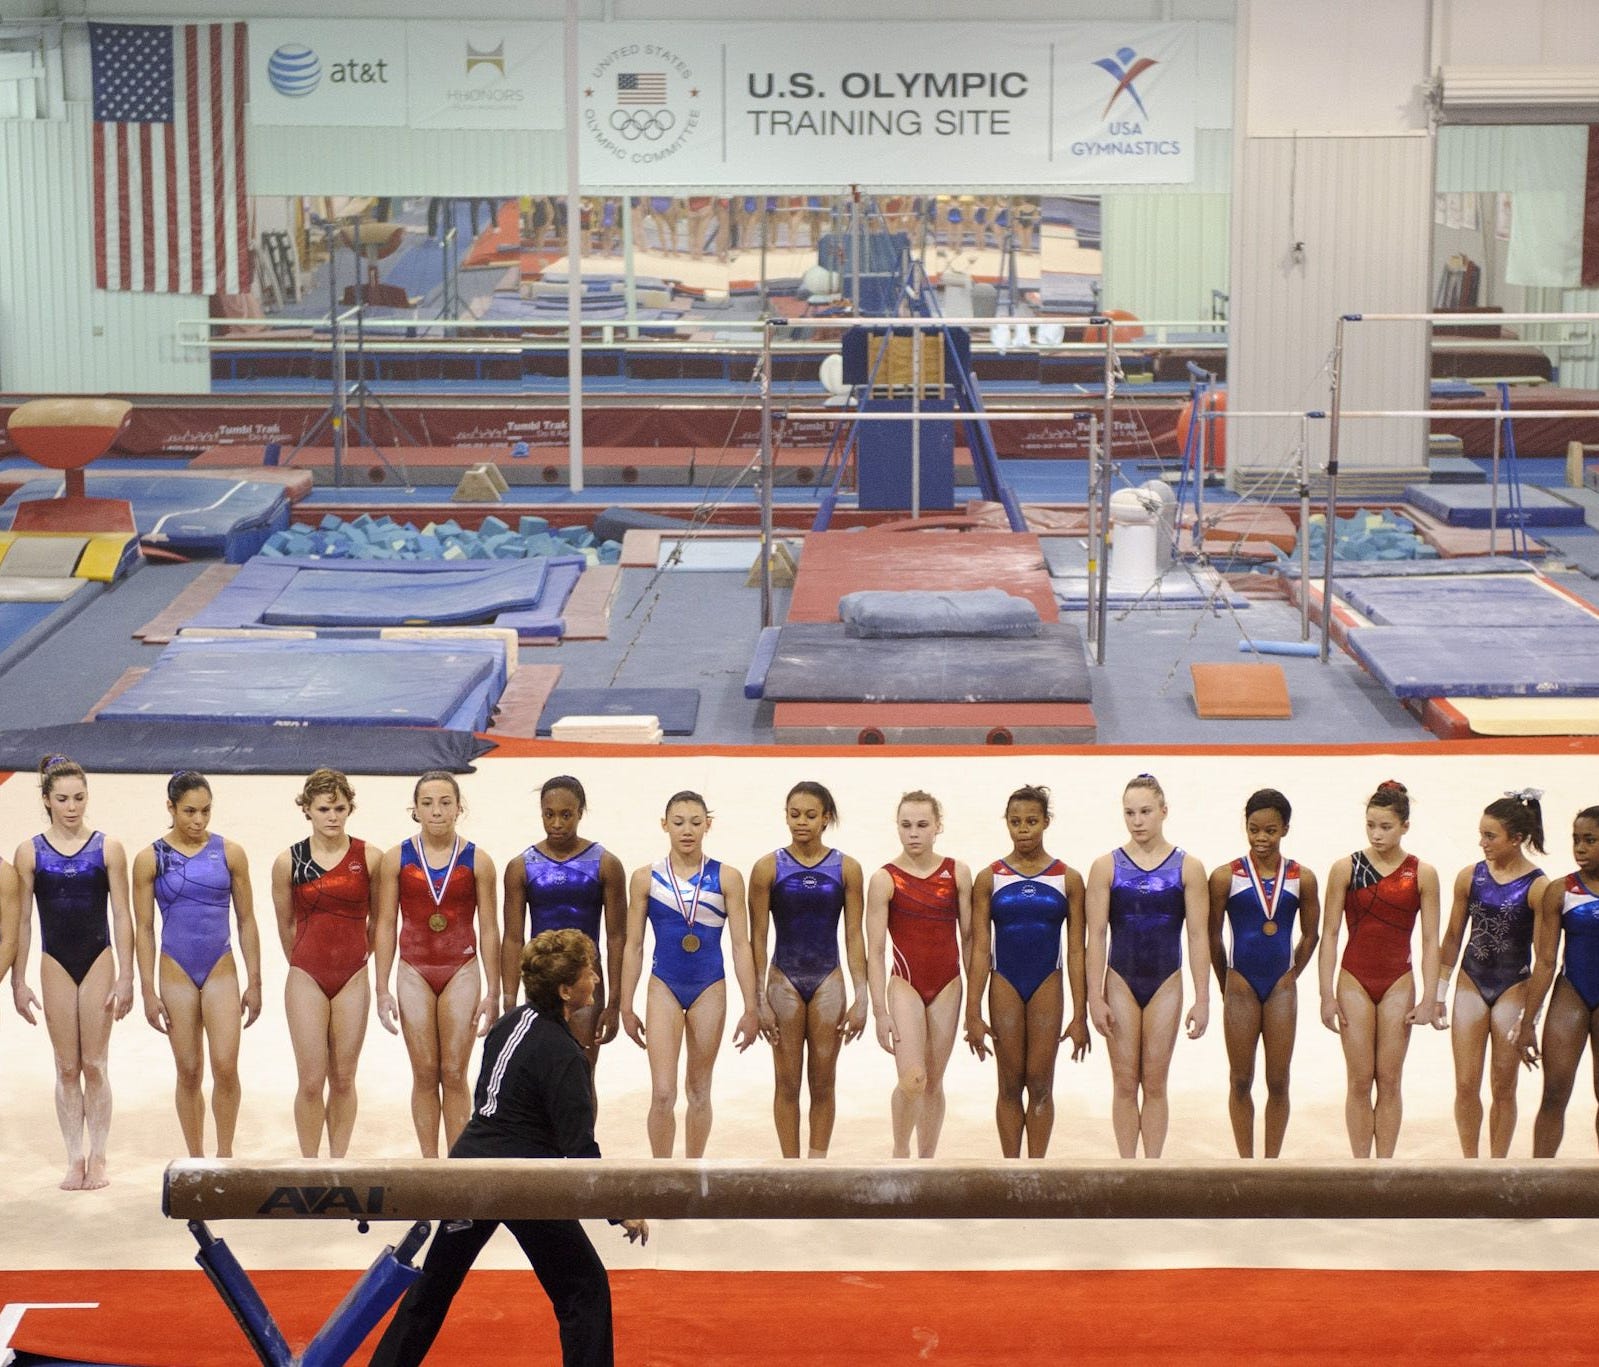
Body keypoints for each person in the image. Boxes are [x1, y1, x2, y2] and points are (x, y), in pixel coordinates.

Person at [369, 929, 648, 1367]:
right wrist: (619, 1209)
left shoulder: (509, 1023)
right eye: (588, 972)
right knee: (584, 1288)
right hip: (523, 1183)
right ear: (565, 990)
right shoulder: (564, 1055)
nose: (595, 977)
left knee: (433, 1290)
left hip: (470, 1175)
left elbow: (489, 1106)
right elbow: (579, 1153)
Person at [10, 755, 134, 1188]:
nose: (72, 807)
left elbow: (121, 914)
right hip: (54, 960)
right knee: (66, 1066)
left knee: (94, 1064)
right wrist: (18, 980)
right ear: (46, 800)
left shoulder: (107, 848)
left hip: (98, 957)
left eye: (79, 798)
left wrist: (126, 977)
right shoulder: (30, 852)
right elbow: (22, 921)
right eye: (62, 799)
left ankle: (98, 1157)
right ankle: (74, 1158)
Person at [619, 791, 759, 1157]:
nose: (687, 830)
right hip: (663, 985)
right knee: (663, 1092)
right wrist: (625, 1005)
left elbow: (741, 946)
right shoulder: (644, 879)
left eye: (696, 823)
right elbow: (633, 946)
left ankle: (693, 1171)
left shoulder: (728, 878)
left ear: (708, 826)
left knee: (699, 1090)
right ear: (664, 825)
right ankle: (661, 1174)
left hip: (709, 986)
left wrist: (752, 1007)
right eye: (678, 822)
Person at [132, 771, 262, 1158]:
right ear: (170, 808)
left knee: (225, 1066)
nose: (198, 820)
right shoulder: (149, 859)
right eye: (189, 811)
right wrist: (147, 990)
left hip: (220, 965)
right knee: (188, 1071)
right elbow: (144, 928)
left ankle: (225, 1155)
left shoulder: (230, 853)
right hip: (176, 969)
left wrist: (255, 981)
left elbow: (246, 920)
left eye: (206, 811)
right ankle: (196, 1159)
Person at [1085, 774, 1210, 1159]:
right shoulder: (1106, 867)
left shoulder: (1188, 867)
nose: (1137, 821)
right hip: (1120, 979)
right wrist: (1094, 996)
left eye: (1145, 812)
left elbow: (1197, 937)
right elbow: (1098, 936)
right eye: (1129, 813)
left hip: (1166, 981)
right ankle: (1127, 1169)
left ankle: (1152, 1170)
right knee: (1125, 1082)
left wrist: (1203, 998)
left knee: (1155, 1083)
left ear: (1163, 812)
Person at [376, 771, 500, 1157]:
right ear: (415, 809)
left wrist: (494, 991)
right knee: (425, 1074)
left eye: (446, 802)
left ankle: (458, 1167)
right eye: (427, 803)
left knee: (454, 1073)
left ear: (459, 808)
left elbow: (490, 928)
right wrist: (381, 988)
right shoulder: (396, 858)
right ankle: (430, 1169)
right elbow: (384, 924)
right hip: (413, 968)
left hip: (461, 968)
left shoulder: (478, 860)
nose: (437, 811)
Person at [964, 785, 1090, 1158]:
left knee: (1040, 1083)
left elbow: (1076, 951)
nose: (1023, 830)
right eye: (1015, 822)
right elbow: (980, 950)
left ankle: (1037, 1170)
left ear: (1046, 823)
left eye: (1032, 822)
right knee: (1008, 1084)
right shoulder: (989, 878)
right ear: (1006, 823)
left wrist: (1080, 1014)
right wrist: (972, 1012)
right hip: (1004, 982)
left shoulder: (1068, 878)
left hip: (1047, 983)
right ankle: (1010, 1171)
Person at [1318, 780, 1441, 1158]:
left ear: (1405, 826)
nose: (1376, 834)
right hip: (1354, 978)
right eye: (1370, 825)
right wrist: (1325, 994)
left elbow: (1430, 940)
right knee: (1359, 1080)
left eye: (1385, 826)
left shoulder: (1422, 873)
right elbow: (1331, 933)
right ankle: (1359, 1168)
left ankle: (1384, 1168)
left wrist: (1430, 997)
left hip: (1398, 981)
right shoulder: (1346, 868)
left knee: (1389, 1080)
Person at [748, 781, 867, 1158]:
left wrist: (862, 996)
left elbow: (853, 937)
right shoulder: (768, 867)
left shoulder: (847, 868)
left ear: (826, 818)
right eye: (794, 814)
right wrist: (757, 1001)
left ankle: (816, 1165)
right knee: (786, 1081)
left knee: (823, 1081)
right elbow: (758, 940)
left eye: (810, 815)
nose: (801, 822)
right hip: (783, 978)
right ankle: (790, 1166)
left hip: (828, 978)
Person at [271, 768, 382, 1159]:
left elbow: (382, 922)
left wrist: (360, 955)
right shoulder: (289, 861)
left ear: (350, 807)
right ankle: (308, 1164)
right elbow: (285, 923)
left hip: (352, 974)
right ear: (307, 810)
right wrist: (302, 960)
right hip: (306, 975)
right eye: (323, 809)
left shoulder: (369, 857)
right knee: (311, 1081)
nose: (332, 816)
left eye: (339, 807)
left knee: (344, 1078)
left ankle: (339, 1162)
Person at [1206, 789, 1320, 1159]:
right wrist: (1225, 980)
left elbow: (1312, 933)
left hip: (1281, 987)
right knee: (1240, 1080)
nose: (1261, 838)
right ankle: (1245, 1164)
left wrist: (1294, 974)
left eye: (1270, 830)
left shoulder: (1303, 877)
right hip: (1240, 983)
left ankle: (1272, 1166)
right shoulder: (1225, 876)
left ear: (1285, 829)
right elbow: (1210, 933)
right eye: (1253, 829)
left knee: (1278, 1081)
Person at [1435, 791, 1547, 1158]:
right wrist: (1439, 992)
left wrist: (1532, 1015)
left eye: (1490, 836)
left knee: (1504, 1087)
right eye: (1481, 834)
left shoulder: (1538, 887)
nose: (1482, 843)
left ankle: (1497, 1166)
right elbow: (1452, 936)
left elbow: (1544, 957)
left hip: (1513, 986)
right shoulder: (1471, 877)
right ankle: (1471, 1164)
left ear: (1516, 839)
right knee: (1466, 1084)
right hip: (1470, 980)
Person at [866, 790, 973, 1159]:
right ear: (897, 827)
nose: (913, 833)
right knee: (913, 1079)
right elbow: (876, 951)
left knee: (933, 1083)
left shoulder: (957, 872)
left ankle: (927, 1163)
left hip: (948, 983)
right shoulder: (884, 879)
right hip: (905, 984)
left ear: (937, 827)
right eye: (906, 825)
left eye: (922, 825)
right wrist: (880, 1010)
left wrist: (974, 1002)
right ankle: (900, 1150)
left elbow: (971, 938)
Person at [501, 776, 627, 1083]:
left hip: (585, 980)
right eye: (549, 814)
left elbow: (617, 938)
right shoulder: (521, 866)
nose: (557, 823)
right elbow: (513, 938)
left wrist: (614, 1002)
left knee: (581, 1074)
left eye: (566, 815)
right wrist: (508, 998)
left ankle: (582, 1134)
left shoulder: (605, 864)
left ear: (580, 812)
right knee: (541, 1078)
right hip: (541, 982)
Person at [1523, 805, 1599, 1155]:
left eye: (1590, 840)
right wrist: (1527, 1021)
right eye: (1576, 840)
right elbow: (1545, 962)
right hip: (1572, 992)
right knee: (1554, 1092)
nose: (1580, 848)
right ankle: (1538, 1183)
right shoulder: (1560, 891)